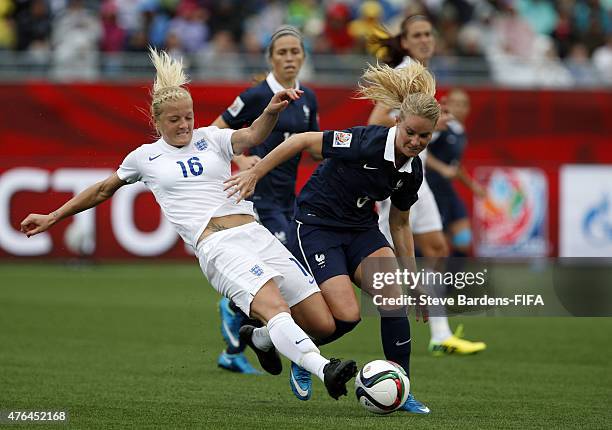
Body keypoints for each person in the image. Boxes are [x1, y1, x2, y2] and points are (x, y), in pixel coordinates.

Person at [20, 47, 357, 401]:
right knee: (275, 308)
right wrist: (53, 215)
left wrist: (271, 112)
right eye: (174, 120)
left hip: (255, 233)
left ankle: (259, 338)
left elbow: (253, 136)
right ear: (157, 122)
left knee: (322, 322)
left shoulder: (211, 138)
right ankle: (325, 369)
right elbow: (104, 189)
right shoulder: (144, 157)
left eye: (188, 117)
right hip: (218, 246)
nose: (184, 126)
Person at [225, 61, 437, 413]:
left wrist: (413, 278)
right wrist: (256, 173)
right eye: (410, 132)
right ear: (397, 121)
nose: (415, 142)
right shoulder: (366, 142)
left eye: (424, 136)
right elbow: (305, 141)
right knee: (346, 317)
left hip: (360, 229)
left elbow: (399, 223)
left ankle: (402, 390)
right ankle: (293, 350)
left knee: (393, 296)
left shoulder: (412, 170)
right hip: (316, 225)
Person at [368, 14, 486, 357]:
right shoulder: (406, 73)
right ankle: (302, 308)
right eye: (416, 35)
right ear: (404, 42)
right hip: (396, 175)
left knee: (436, 248)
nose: (424, 40)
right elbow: (375, 123)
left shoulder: (423, 75)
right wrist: (419, 123)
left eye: (428, 34)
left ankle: (439, 333)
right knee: (371, 260)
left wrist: (435, 121)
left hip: (414, 173)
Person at [209, 25, 321, 375]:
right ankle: (248, 322)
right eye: (282, 53)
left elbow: (313, 147)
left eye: (295, 52)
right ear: (270, 58)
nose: (289, 58)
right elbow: (215, 131)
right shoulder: (257, 96)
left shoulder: (308, 98)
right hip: (259, 203)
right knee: (284, 277)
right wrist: (241, 160)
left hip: (289, 201)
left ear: (303, 57)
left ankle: (235, 343)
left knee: (291, 278)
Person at [425, 88, 485, 256]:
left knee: (463, 240)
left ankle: (451, 282)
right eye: (455, 104)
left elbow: (456, 166)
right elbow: (422, 153)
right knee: (438, 247)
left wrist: (473, 186)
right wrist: (441, 168)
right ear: (447, 105)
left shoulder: (461, 132)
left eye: (464, 104)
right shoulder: (440, 128)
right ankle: (429, 279)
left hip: (448, 191)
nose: (459, 108)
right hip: (432, 191)